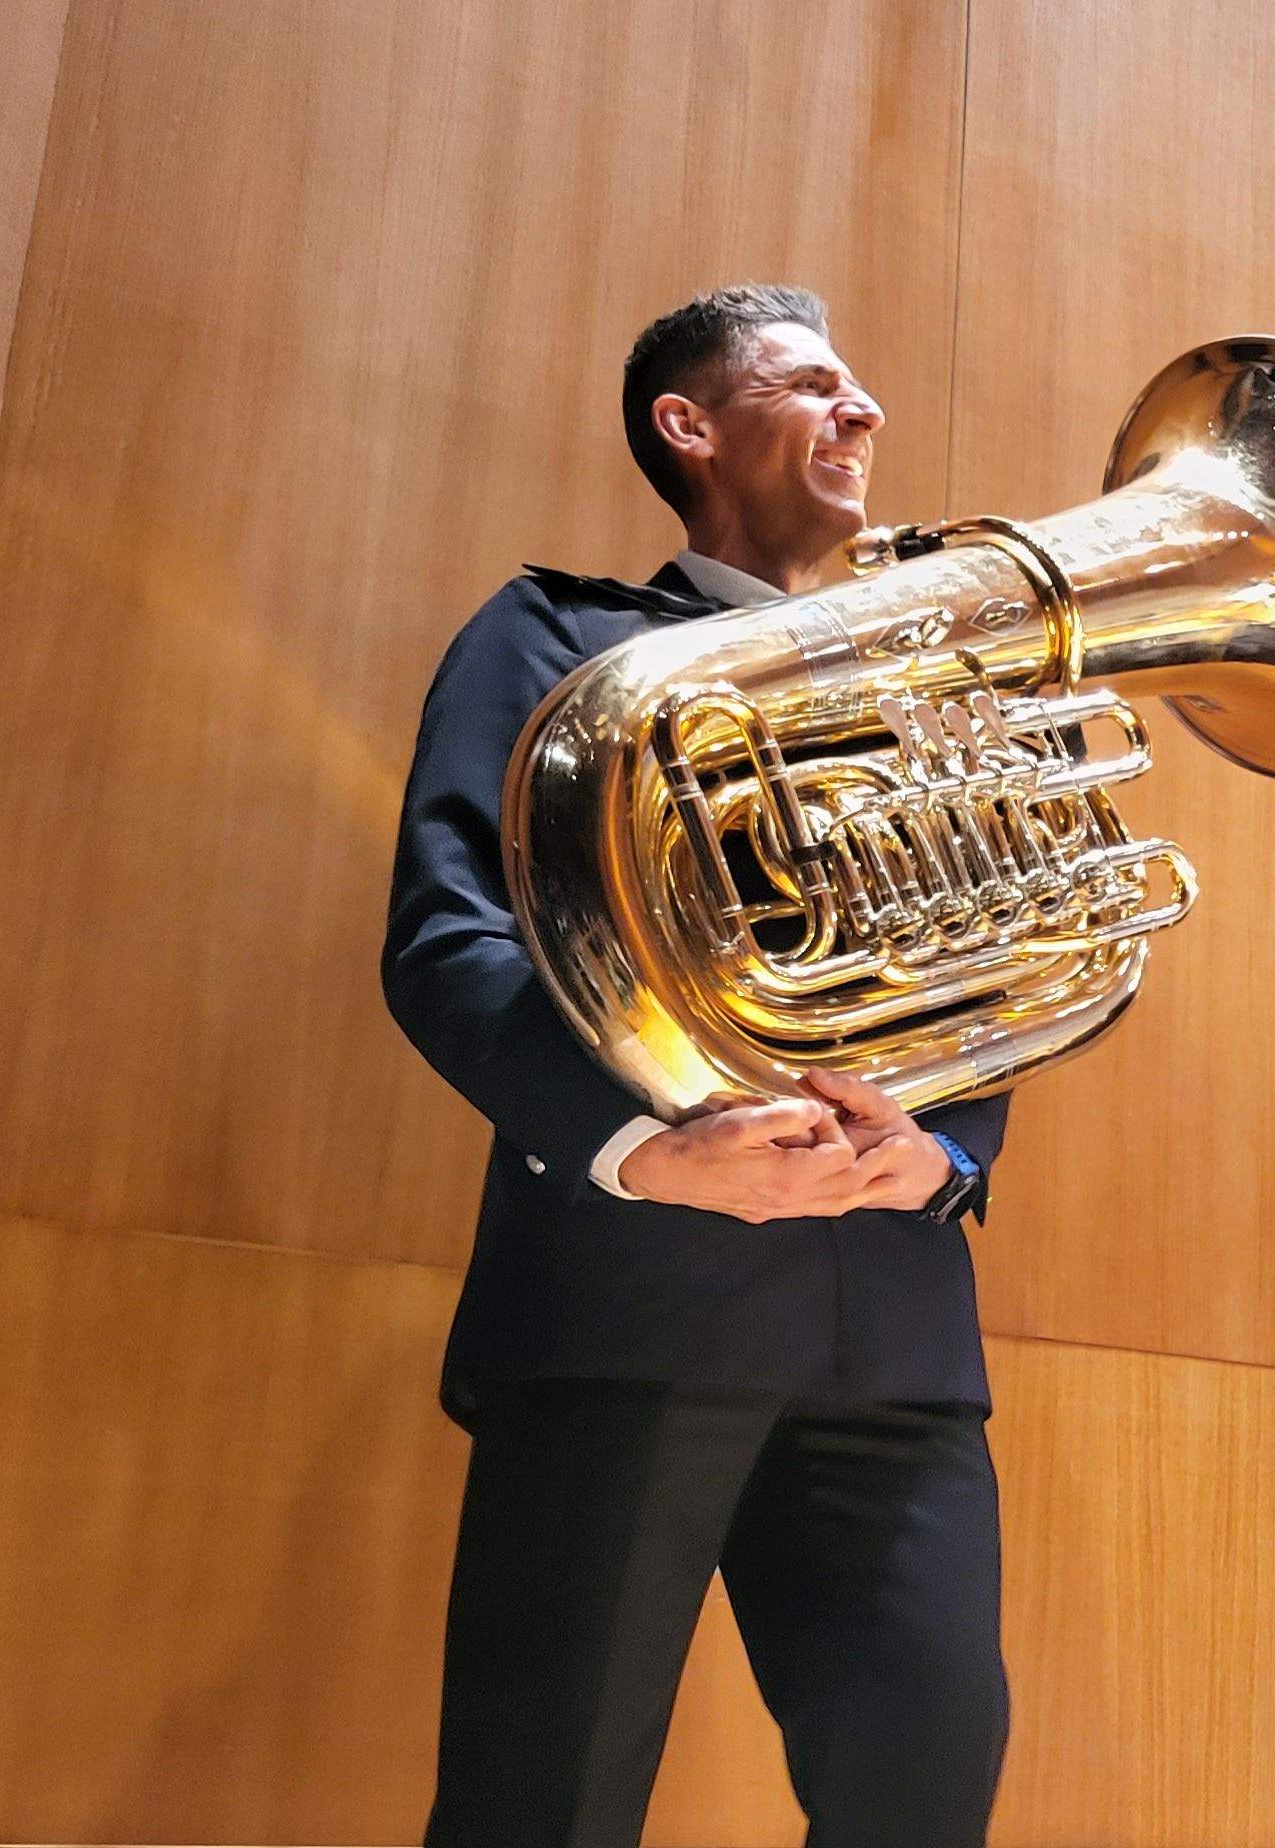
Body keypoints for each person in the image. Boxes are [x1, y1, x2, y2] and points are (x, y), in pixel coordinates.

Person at [383, 283, 1012, 1846]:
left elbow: (993, 945)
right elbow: (445, 939)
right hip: (620, 1308)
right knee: (542, 1809)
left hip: (890, 1336)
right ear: (693, 425)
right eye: (813, 387)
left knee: (925, 1798)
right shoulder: (554, 635)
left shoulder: (929, 675)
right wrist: (637, 1144)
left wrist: (947, 1154)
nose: (862, 414)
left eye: (861, 387)